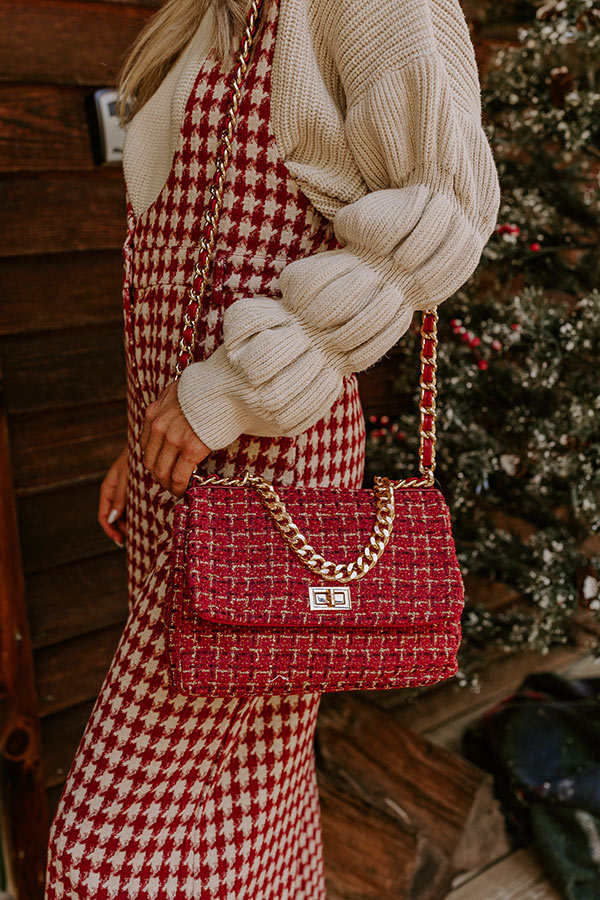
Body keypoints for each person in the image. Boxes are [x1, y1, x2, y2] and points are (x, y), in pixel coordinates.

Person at [44, 0, 501, 896]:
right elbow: (182, 257)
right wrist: (140, 438)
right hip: (184, 464)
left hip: (273, 462)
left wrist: (237, 389)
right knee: (255, 791)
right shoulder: (213, 15)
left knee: (100, 857)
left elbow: (447, 210)